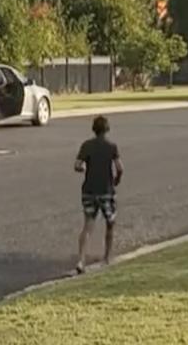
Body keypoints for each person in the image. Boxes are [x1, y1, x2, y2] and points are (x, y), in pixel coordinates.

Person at [74, 115, 123, 274]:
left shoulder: (86, 145)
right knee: (110, 224)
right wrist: (116, 180)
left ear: (94, 129)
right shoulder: (111, 147)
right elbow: (120, 168)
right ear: (107, 129)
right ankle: (107, 257)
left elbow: (77, 165)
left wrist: (84, 169)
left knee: (88, 225)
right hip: (106, 191)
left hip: (89, 190)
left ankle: (81, 260)